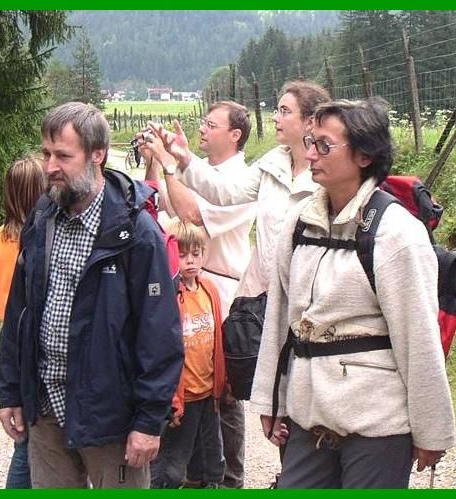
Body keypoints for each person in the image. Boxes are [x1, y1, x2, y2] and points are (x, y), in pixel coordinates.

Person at [248, 99, 456, 488]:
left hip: (377, 423)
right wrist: (269, 399)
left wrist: (432, 431)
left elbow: (418, 338)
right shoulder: (298, 224)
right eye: (310, 142)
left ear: (364, 155)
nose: (311, 154)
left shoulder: (397, 233)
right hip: (309, 414)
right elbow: (280, 317)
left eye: (324, 145)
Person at [150, 81, 330, 488]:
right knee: (271, 397)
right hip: (264, 301)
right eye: (277, 109)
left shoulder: (325, 173)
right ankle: (287, 475)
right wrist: (183, 157)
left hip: (311, 304)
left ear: (309, 121)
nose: (276, 117)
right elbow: (226, 192)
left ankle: (273, 476)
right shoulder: (273, 164)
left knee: (294, 396)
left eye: (285, 111)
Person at [0, 102, 184, 489]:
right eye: (47, 154)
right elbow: (19, 312)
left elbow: (160, 334)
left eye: (63, 156)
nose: (50, 167)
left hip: (111, 417)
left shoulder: (136, 232)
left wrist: (149, 421)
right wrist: (10, 391)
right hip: (46, 406)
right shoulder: (42, 217)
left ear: (98, 155)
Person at [139, 101, 255, 489]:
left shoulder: (242, 181)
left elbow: (190, 216)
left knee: (225, 390)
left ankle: (229, 479)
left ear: (235, 135)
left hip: (222, 290)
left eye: (211, 124)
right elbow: (164, 206)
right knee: (189, 381)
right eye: (203, 122)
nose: (202, 129)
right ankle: (194, 474)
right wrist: (154, 162)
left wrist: (170, 163)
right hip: (189, 286)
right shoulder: (203, 170)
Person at [0, 154, 46, 488]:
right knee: (33, 440)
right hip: (39, 341)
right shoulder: (46, 237)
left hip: (12, 343)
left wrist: (6, 307)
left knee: (26, 433)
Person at [150, 221, 227, 488]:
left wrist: (223, 383)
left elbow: (218, 340)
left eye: (196, 253)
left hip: (208, 395)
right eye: (182, 255)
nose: (190, 261)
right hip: (183, 397)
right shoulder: (168, 293)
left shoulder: (209, 290)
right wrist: (170, 398)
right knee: (170, 467)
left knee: (210, 463)